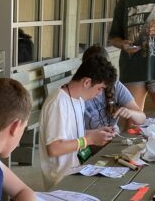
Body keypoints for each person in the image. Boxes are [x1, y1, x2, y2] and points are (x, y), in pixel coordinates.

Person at [38, 54, 116, 186]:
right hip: (61, 178)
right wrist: (90, 140)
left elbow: (73, 136)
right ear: (87, 82)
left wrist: (96, 133)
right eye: (99, 88)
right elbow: (54, 148)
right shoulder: (58, 102)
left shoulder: (79, 99)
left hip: (78, 168)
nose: (99, 93)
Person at [80, 45, 146, 136]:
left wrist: (130, 113)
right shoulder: (78, 92)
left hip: (112, 139)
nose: (99, 92)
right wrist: (94, 135)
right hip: (89, 145)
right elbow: (72, 134)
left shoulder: (115, 86)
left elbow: (142, 118)